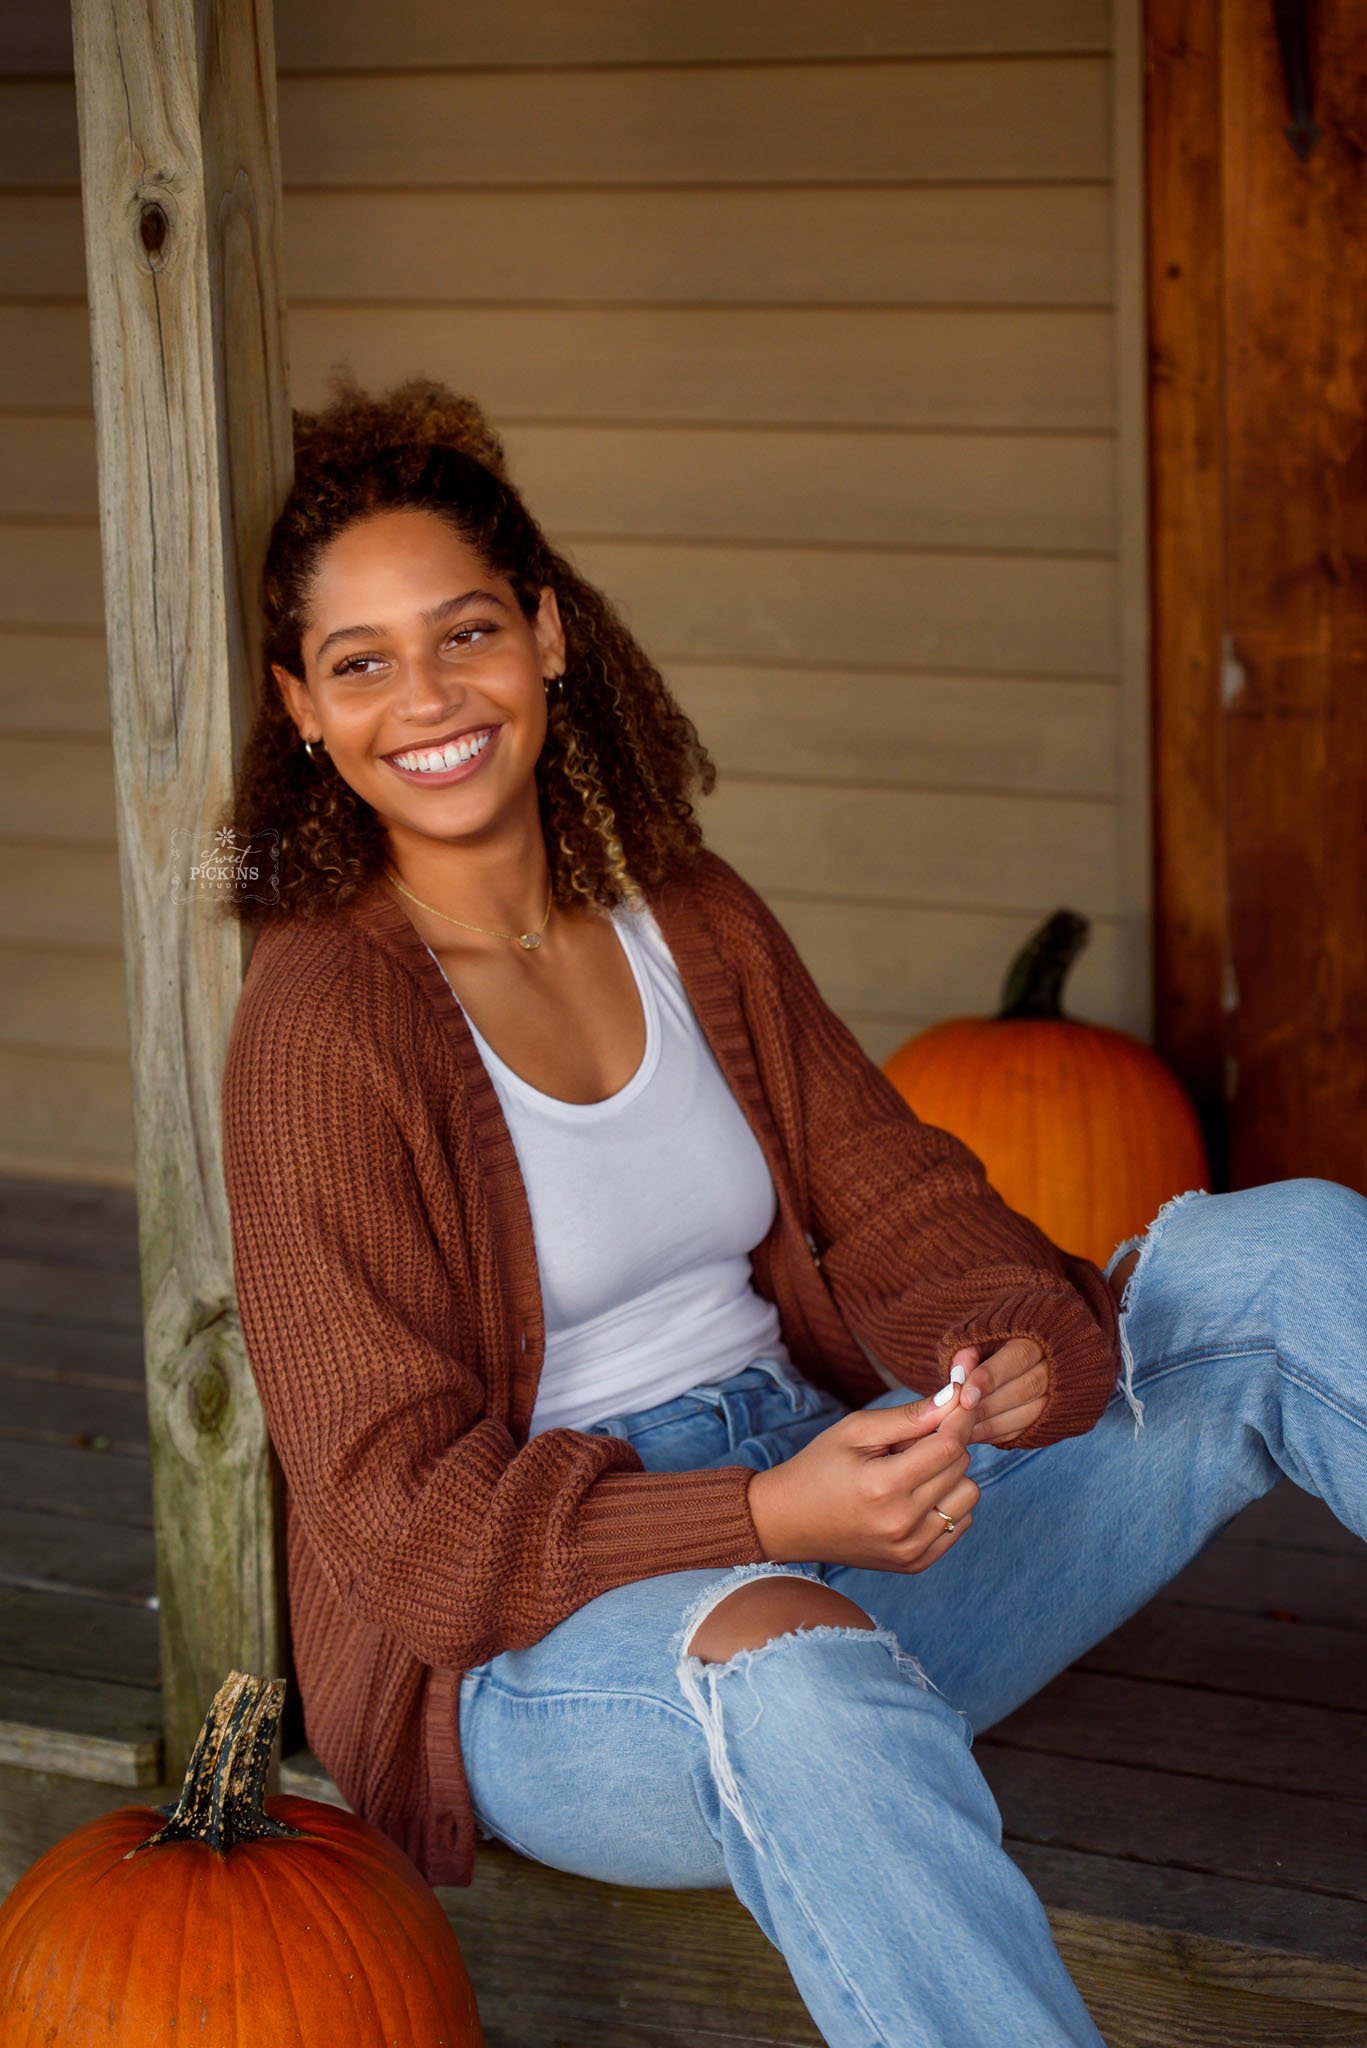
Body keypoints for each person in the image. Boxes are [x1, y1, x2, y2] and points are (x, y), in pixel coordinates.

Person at [218, 373, 1367, 2048]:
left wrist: (1008, 1334)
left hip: (863, 1507)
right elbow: (402, 1525)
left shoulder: (683, 908)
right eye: (361, 662)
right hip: (567, 1664)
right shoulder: (323, 1026)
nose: (427, 696)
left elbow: (893, 1191)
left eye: (464, 632)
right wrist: (756, 1523)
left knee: (1280, 1260)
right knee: (807, 1683)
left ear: (546, 635)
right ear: (303, 709)